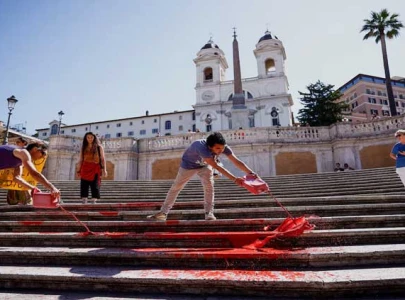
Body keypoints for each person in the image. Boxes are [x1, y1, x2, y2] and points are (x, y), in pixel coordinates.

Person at [147, 132, 257, 221]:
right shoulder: (200, 146)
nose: (221, 151)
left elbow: (236, 161)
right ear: (210, 147)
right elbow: (216, 166)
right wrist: (234, 179)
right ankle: (163, 212)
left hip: (205, 166)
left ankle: (209, 213)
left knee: (209, 187)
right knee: (176, 187)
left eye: (222, 148)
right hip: (188, 165)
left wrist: (250, 172)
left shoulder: (223, 147)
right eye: (218, 149)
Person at [77, 132, 107, 204]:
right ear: (86, 138)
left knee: (95, 184)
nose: (90, 139)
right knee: (84, 184)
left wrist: (104, 170)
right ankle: (84, 199)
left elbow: (102, 159)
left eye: (91, 137)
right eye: (88, 137)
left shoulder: (99, 147)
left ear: (94, 138)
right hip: (85, 167)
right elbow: (81, 159)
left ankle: (94, 200)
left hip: (95, 168)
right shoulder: (83, 147)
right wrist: (78, 170)